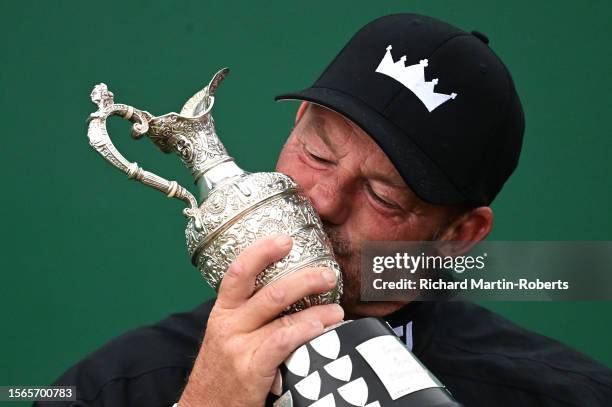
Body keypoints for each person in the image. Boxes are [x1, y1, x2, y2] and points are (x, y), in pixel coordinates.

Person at [40, 13, 612, 407]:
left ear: (460, 235)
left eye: (384, 195)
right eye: (316, 153)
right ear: (294, 127)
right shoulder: (114, 386)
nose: (322, 200)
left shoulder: (565, 394)